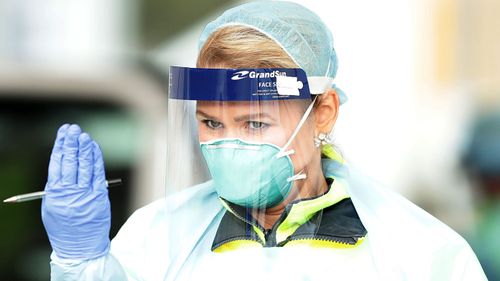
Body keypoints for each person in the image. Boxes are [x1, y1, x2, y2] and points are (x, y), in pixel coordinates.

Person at [41, 1, 486, 280]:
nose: (229, 145)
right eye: (211, 124)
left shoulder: (421, 253)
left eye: (255, 124)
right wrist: (82, 265)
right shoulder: (156, 236)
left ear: (323, 113)